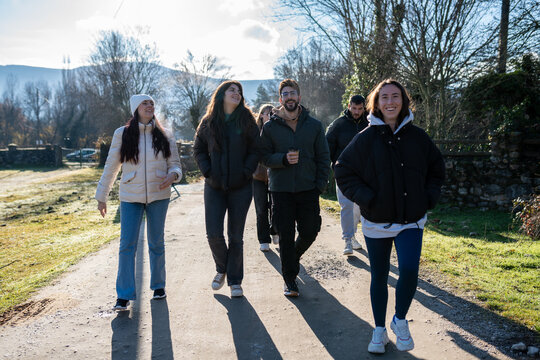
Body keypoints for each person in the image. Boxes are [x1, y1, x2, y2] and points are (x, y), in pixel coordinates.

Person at [334, 79, 445, 353]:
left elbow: (437, 168)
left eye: (396, 96)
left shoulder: (418, 137)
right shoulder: (366, 138)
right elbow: (343, 170)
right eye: (384, 97)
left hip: (411, 220)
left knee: (408, 269)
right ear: (377, 103)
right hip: (377, 222)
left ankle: (399, 320)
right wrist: (367, 199)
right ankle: (379, 330)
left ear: (404, 101)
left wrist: (428, 197)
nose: (391, 102)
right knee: (380, 276)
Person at [96, 94, 182, 311]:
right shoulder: (122, 134)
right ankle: (123, 296)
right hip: (129, 196)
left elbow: (175, 165)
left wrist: (173, 175)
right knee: (127, 245)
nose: (150, 106)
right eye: (145, 103)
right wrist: (102, 196)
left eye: (152, 103)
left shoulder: (165, 135)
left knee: (156, 242)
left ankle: (159, 287)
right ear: (135, 108)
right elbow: (111, 166)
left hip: (159, 195)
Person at [260, 79, 330, 297]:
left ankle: (293, 257)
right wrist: (282, 159)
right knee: (286, 235)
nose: (289, 97)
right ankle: (289, 279)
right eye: (285, 94)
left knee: (310, 230)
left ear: (299, 97)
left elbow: (324, 157)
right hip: (280, 190)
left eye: (293, 93)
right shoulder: (270, 127)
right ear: (280, 99)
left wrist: (320, 185)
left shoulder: (314, 126)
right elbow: (262, 156)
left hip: (308, 188)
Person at [193, 80, 259, 298]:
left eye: (239, 91)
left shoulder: (247, 119)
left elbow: (255, 149)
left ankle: (235, 281)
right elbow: (199, 148)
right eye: (232, 90)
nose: (237, 93)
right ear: (221, 94)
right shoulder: (209, 121)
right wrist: (208, 171)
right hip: (215, 186)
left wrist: (247, 171)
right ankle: (222, 268)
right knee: (213, 234)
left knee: (236, 236)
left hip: (241, 186)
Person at [326, 94, 369, 255]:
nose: (356, 111)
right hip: (343, 172)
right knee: (346, 205)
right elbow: (327, 146)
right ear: (349, 106)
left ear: (364, 107)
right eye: (354, 108)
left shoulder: (369, 123)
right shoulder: (338, 124)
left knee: (358, 207)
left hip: (364, 173)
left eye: (359, 109)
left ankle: (353, 236)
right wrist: (332, 166)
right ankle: (347, 240)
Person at [252, 104, 279, 252]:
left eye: (272, 113)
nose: (269, 115)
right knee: (261, 208)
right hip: (258, 176)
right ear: (261, 115)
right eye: (266, 113)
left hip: (275, 175)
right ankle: (263, 239)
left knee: (277, 207)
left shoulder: (278, 131)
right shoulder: (254, 133)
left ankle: (275, 231)